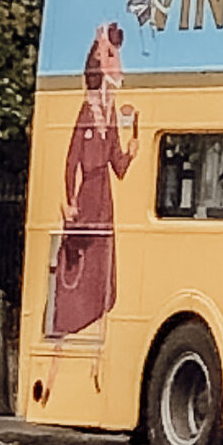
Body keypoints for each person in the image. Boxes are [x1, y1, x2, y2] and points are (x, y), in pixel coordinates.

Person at [47, 22, 138, 341]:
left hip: (105, 198)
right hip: (88, 196)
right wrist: (69, 200)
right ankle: (68, 327)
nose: (118, 64)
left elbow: (119, 166)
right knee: (80, 263)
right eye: (110, 55)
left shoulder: (110, 113)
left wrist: (131, 150)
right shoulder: (87, 111)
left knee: (102, 268)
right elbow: (72, 161)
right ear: (98, 61)